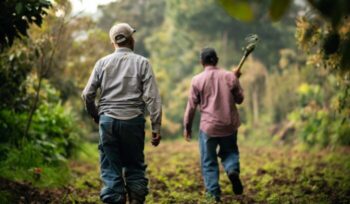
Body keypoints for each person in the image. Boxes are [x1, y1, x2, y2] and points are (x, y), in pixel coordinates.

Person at [82, 23, 162, 204]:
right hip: (133, 121)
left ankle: (114, 198)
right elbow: (153, 98)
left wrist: (96, 114)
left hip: (107, 121)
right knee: (134, 165)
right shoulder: (142, 63)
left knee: (110, 167)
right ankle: (136, 198)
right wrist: (156, 127)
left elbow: (87, 94)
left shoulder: (102, 63)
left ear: (113, 43)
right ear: (131, 39)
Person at [183, 47, 244, 202]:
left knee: (208, 161)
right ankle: (232, 170)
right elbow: (239, 99)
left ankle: (213, 195)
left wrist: (187, 127)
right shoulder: (229, 76)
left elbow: (191, 106)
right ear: (216, 60)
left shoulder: (197, 80)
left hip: (208, 128)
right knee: (230, 151)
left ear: (201, 62)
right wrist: (236, 79)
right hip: (229, 125)